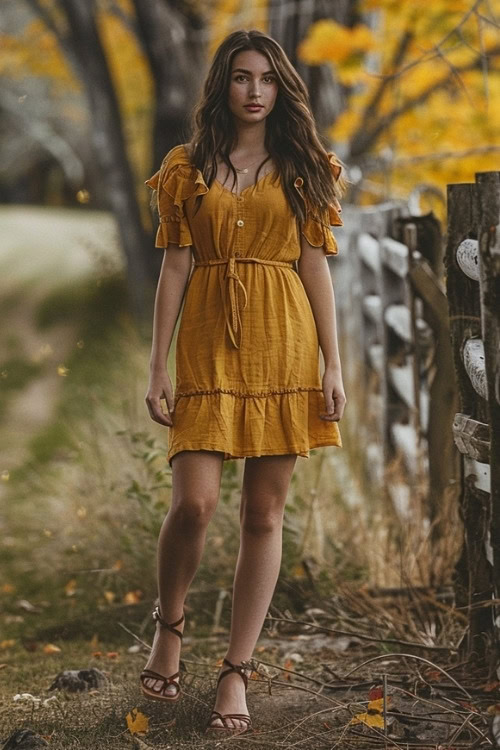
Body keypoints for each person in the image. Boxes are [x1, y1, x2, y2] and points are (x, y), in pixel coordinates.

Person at [141, 28, 347, 736]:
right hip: (204, 343)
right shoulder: (186, 164)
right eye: (240, 77)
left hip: (284, 344)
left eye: (265, 78)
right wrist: (157, 363)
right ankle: (170, 626)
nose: (254, 90)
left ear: (279, 86)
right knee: (194, 503)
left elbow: (315, 265)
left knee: (263, 513)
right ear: (222, 86)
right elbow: (174, 266)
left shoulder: (304, 165)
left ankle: (236, 670)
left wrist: (333, 362)